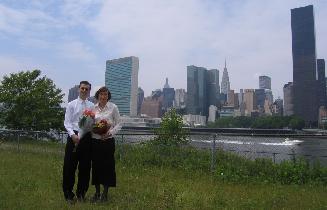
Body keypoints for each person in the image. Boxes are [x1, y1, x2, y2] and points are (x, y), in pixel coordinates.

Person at [63, 81, 94, 203]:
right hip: (73, 137)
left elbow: (91, 123)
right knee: (69, 167)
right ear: (78, 89)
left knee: (85, 168)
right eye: (82, 88)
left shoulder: (92, 106)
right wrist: (72, 135)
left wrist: (89, 127)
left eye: (87, 89)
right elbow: (67, 122)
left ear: (89, 91)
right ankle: (68, 194)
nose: (84, 91)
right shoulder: (71, 105)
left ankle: (81, 193)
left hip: (86, 138)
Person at [91, 86, 121, 202]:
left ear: (108, 96)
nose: (103, 96)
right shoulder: (92, 108)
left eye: (106, 94)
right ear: (98, 96)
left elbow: (119, 124)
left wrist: (110, 133)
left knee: (108, 166)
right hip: (95, 141)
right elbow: (89, 123)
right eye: (101, 94)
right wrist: (91, 128)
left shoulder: (113, 107)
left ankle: (105, 193)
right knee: (96, 166)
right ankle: (97, 192)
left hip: (108, 141)